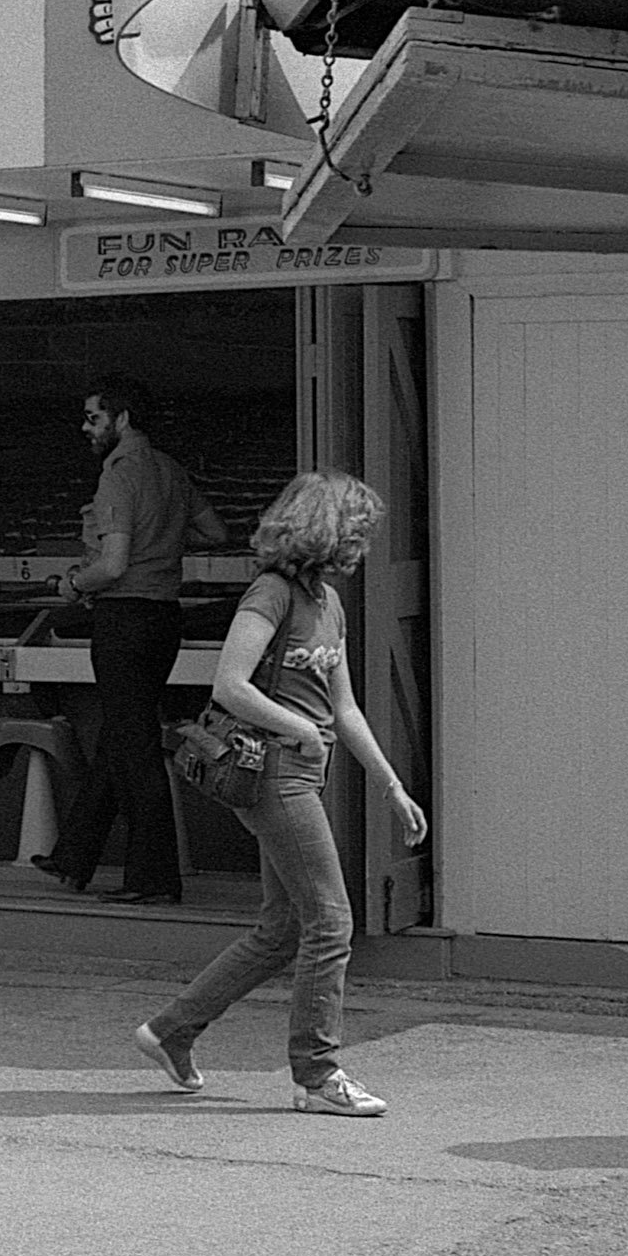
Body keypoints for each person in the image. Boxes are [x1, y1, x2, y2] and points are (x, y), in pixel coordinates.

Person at [133, 471, 428, 1116]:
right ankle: (317, 1076)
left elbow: (343, 707)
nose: (363, 545)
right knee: (332, 920)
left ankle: (171, 1031)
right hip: (272, 775)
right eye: (357, 532)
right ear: (331, 532)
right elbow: (229, 685)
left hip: (297, 773)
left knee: (282, 928)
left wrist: (390, 784)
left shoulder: (327, 602)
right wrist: (300, 730)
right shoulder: (271, 594)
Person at [37, 375, 227, 903]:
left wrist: (73, 584)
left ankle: (154, 879)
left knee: (135, 749)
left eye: (94, 417)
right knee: (121, 736)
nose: (86, 427)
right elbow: (217, 533)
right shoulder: (170, 469)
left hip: (122, 620)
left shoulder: (119, 476)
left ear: (121, 420)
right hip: (165, 619)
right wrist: (161, 536)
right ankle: (73, 856)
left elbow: (113, 565)